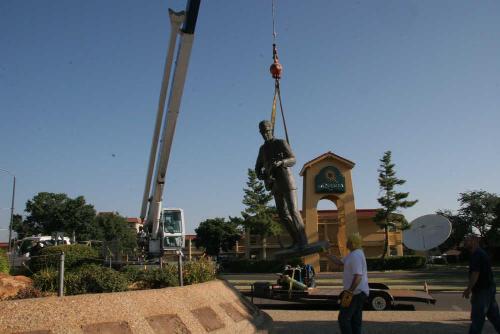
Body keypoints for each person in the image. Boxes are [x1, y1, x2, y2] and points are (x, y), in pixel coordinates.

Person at [255, 120, 308, 249]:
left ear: (271, 130)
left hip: (286, 180)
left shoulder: (281, 143)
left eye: (267, 131)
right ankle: (296, 240)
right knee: (283, 215)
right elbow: (257, 168)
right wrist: (262, 175)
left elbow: (293, 159)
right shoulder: (262, 149)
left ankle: (303, 240)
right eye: (262, 132)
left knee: (293, 210)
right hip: (274, 184)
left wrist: (281, 162)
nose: (265, 134)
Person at [325, 233, 369, 334]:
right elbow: (339, 262)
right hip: (358, 292)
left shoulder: (355, 256)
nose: (346, 242)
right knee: (355, 320)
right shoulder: (354, 254)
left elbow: (358, 276)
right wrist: (327, 254)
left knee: (343, 318)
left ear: (352, 243)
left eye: (348, 241)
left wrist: (350, 292)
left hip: (354, 293)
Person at [462, 235, 500, 333]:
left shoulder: (477, 254)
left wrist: (468, 289)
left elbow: (475, 273)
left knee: (477, 319)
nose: (465, 241)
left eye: (467, 240)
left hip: (482, 291)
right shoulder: (479, 253)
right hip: (488, 289)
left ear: (474, 241)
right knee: (494, 317)